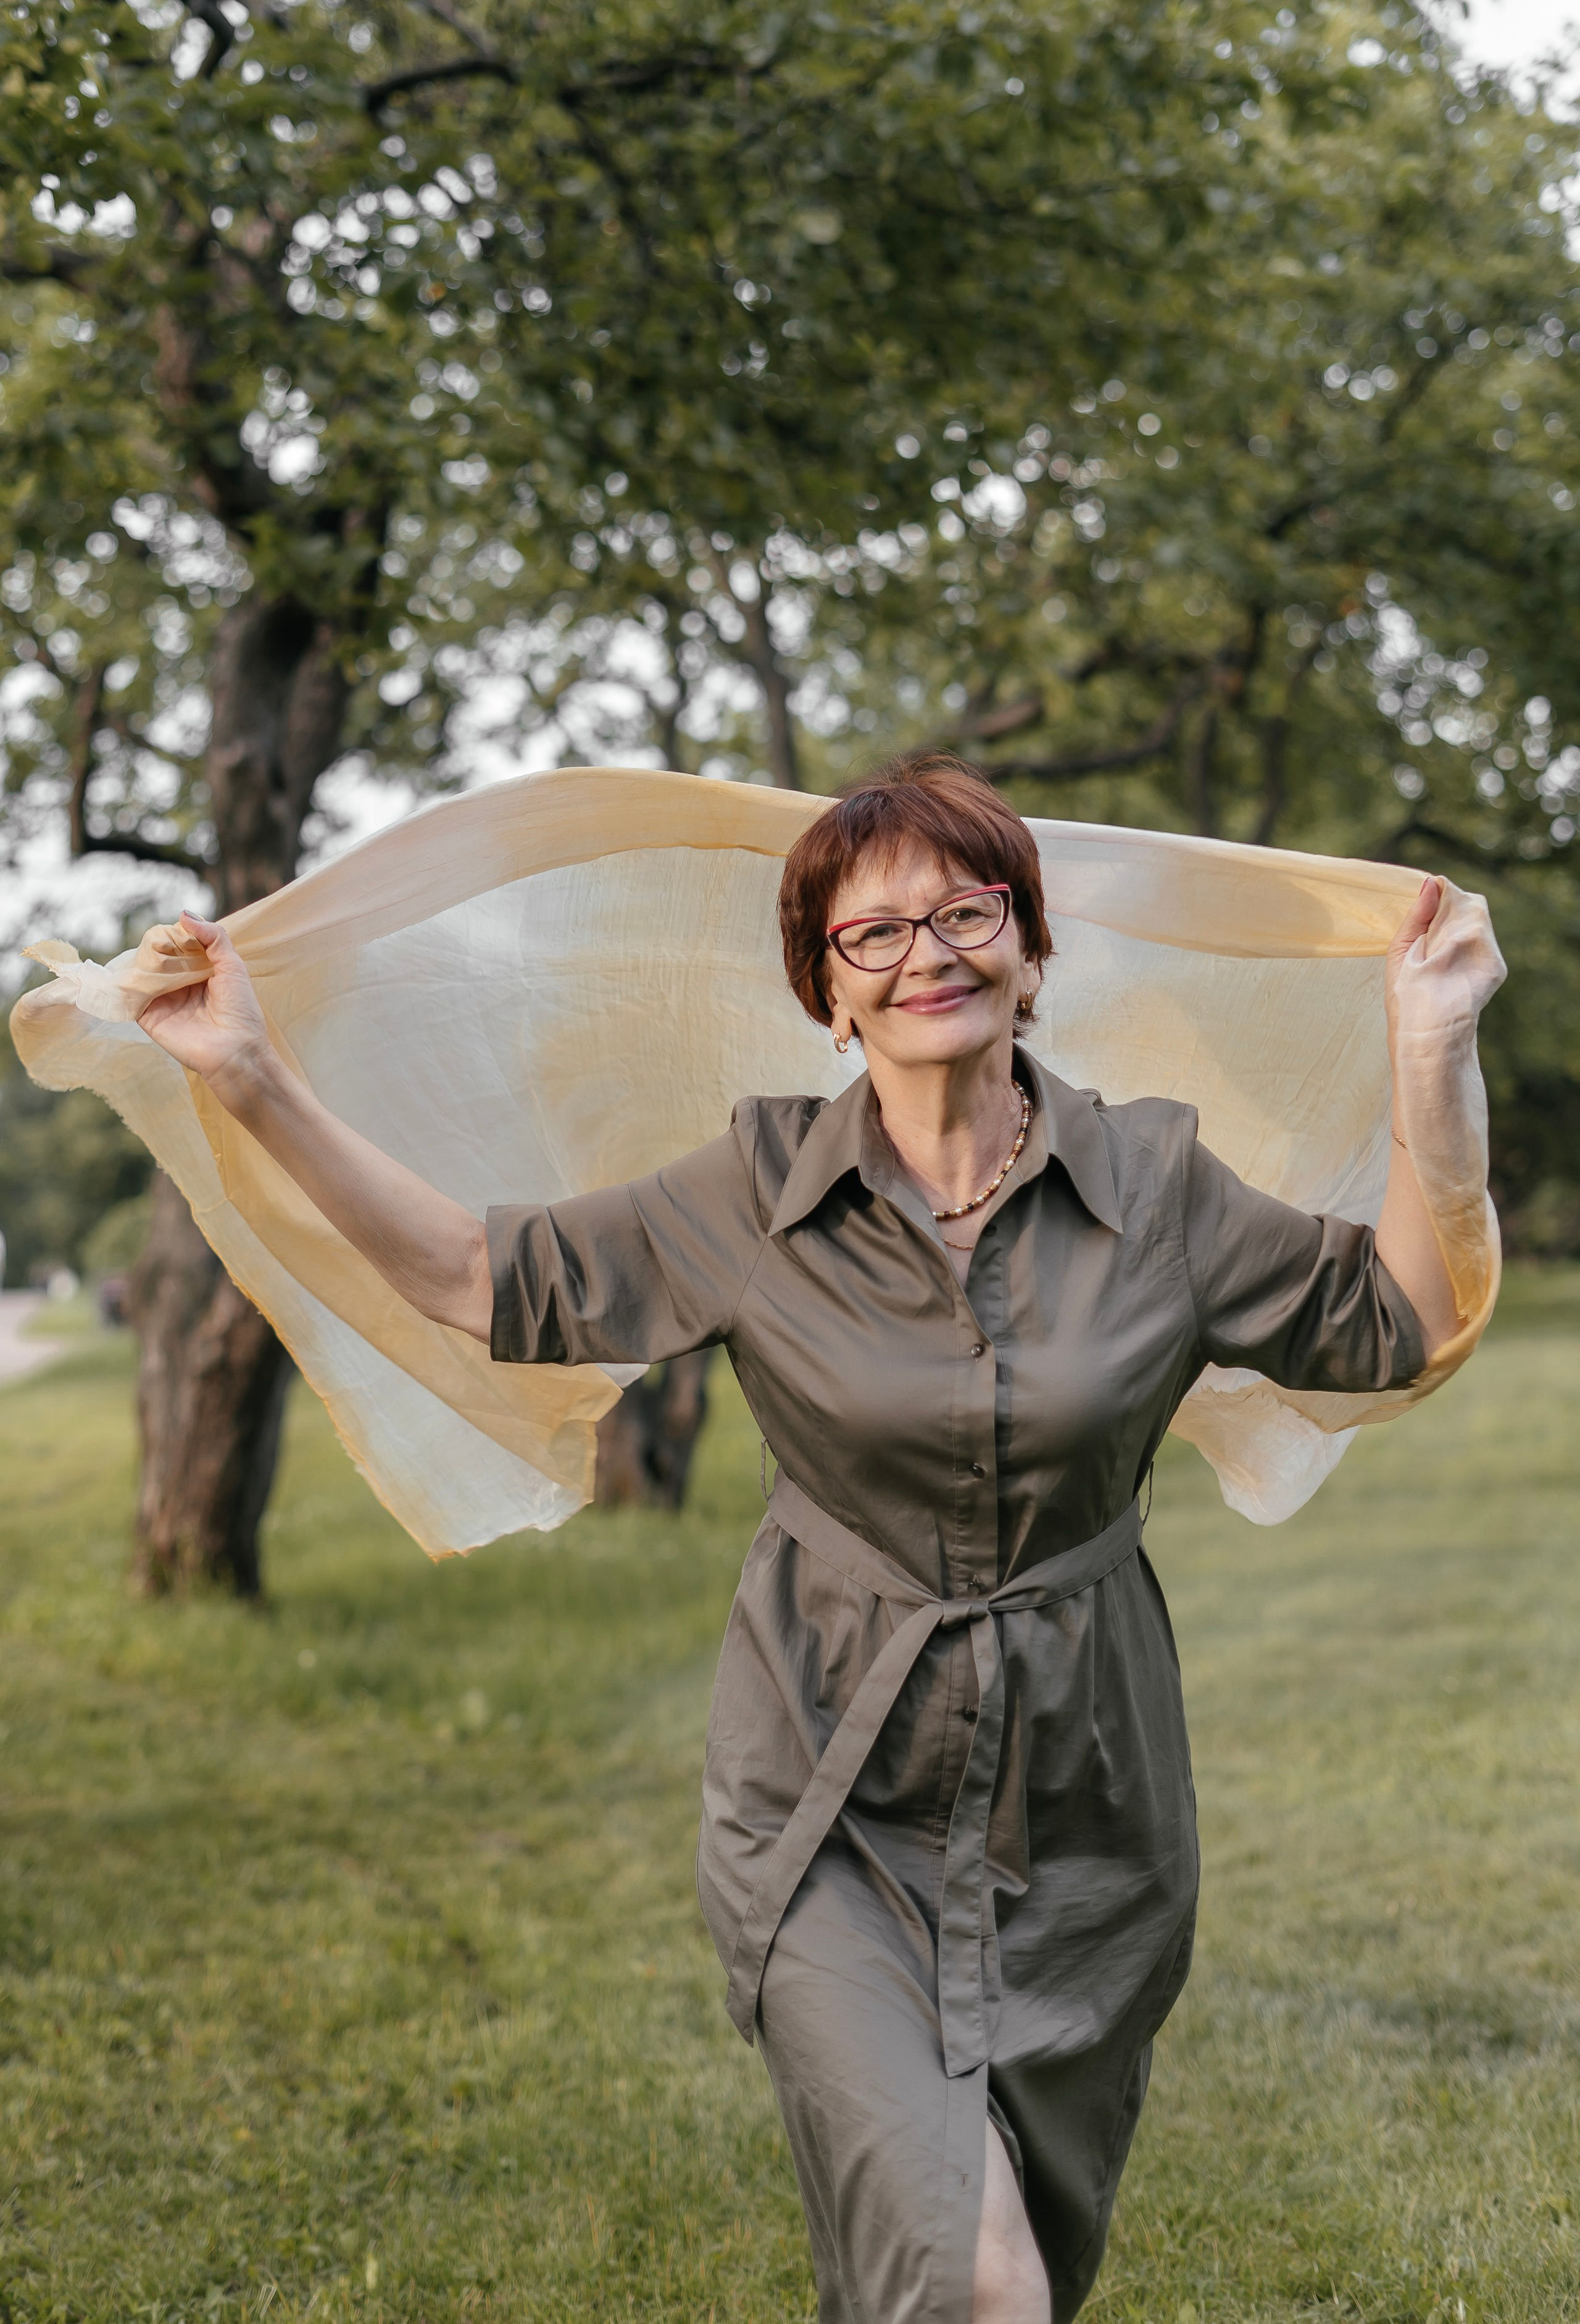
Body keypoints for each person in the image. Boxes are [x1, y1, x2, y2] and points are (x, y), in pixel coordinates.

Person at [136, 754, 1457, 2324]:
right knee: (971, 2276)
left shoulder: (1156, 1183)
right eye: (872, 935)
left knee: (993, 2262)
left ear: (1030, 953)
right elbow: (475, 1276)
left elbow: (1401, 1320)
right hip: (828, 1801)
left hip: (1088, 1814)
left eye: (966, 913)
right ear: (824, 992)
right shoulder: (755, 1192)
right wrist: (248, 1076)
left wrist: (1428, 1045)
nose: (925, 957)